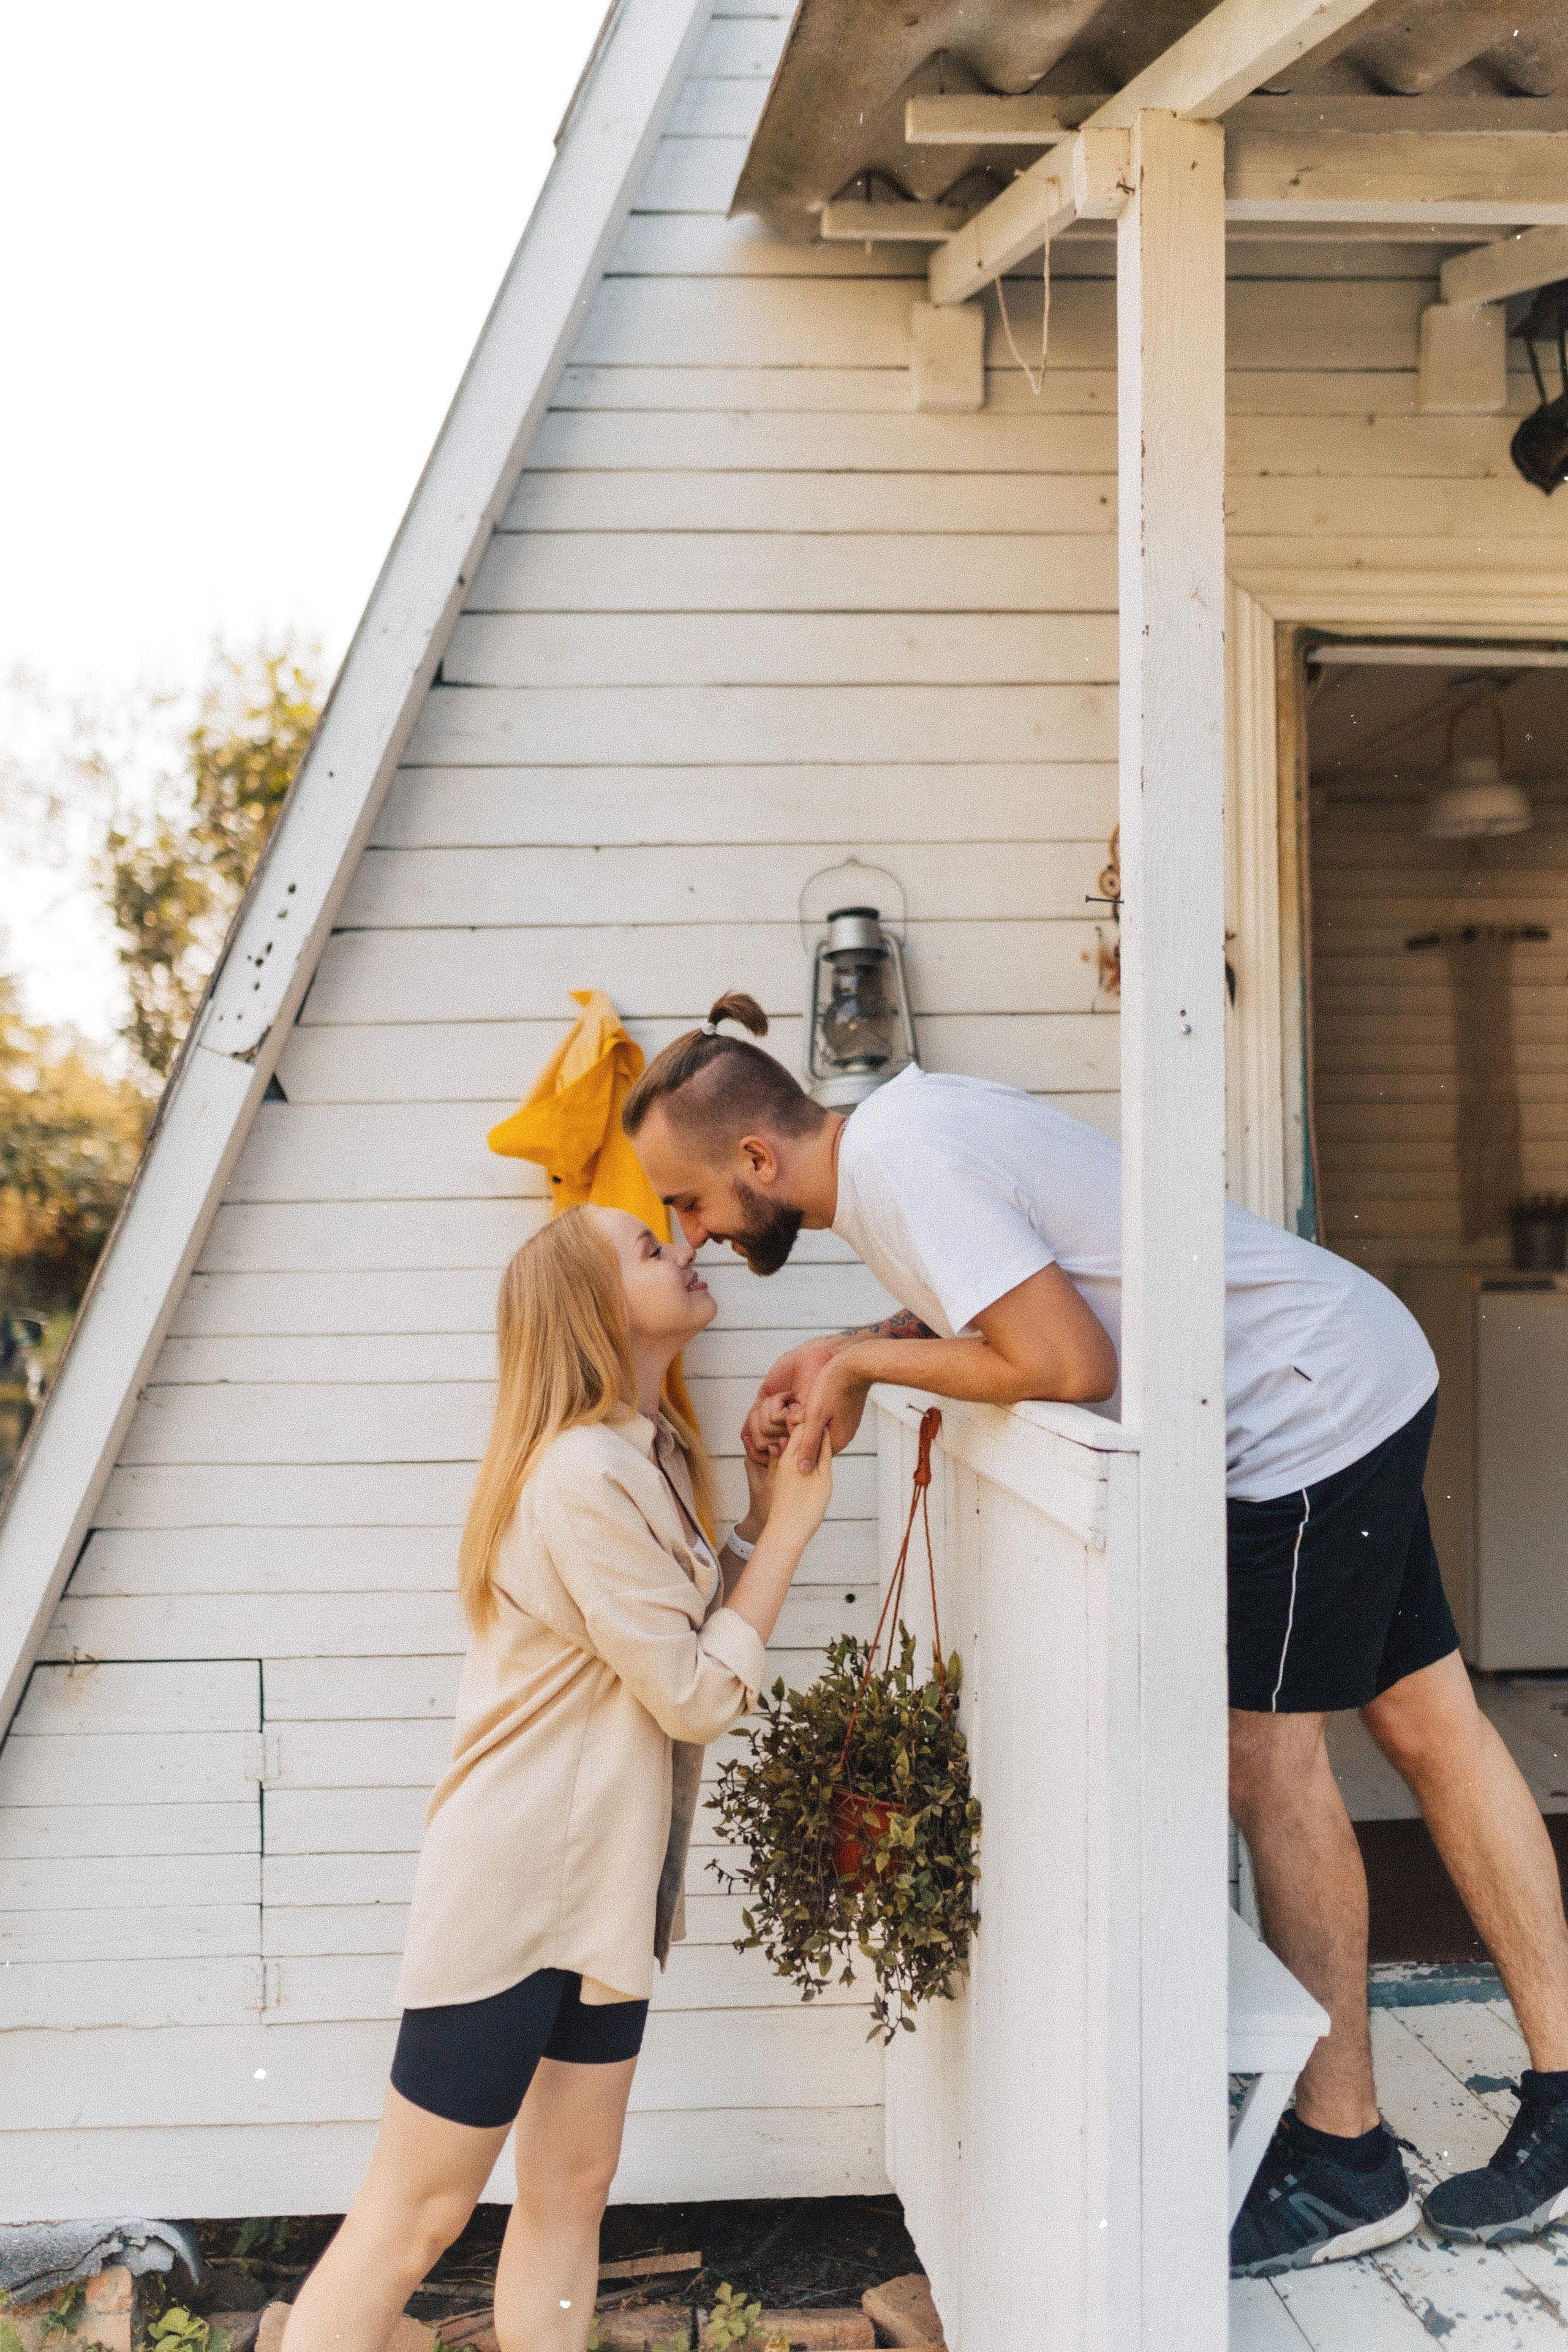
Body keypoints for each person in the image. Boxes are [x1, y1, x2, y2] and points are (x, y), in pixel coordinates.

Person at [624, 992, 1568, 2278]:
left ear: (754, 1161)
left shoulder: (901, 1169)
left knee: (1264, 1767)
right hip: (1345, 1365)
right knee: (1427, 1725)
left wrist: (859, 1366)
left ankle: (1344, 2158)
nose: (696, 1237)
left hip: (1297, 1421)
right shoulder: (905, 1124)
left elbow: (1060, 1359)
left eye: (687, 1204)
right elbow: (1042, 1287)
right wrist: (854, 1343)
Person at [282, 1204, 831, 2352]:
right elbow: (691, 1693)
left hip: (604, 1892)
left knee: (573, 2192)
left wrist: (758, 1514)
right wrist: (791, 1540)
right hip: (513, 1890)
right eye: (646, 1247)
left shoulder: (647, 1452)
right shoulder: (579, 1473)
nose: (682, 1249)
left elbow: (665, 1638)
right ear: (590, 1310)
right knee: (418, 2216)